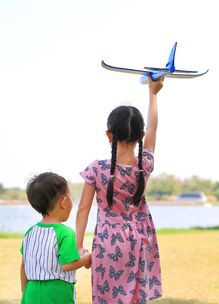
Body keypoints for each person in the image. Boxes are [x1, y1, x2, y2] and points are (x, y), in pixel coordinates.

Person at [76, 76, 164, 303]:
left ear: (109, 134)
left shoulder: (96, 169)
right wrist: (153, 94)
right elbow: (154, 128)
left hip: (107, 244)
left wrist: (78, 245)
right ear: (140, 136)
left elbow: (83, 209)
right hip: (139, 241)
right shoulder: (144, 164)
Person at [20, 172, 91, 304]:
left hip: (31, 292)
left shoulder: (29, 233)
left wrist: (25, 295)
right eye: (70, 196)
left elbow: (23, 266)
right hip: (56, 294)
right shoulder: (65, 233)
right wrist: (87, 258)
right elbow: (68, 264)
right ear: (64, 202)